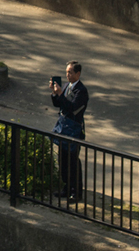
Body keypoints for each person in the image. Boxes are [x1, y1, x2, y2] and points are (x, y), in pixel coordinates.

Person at [49, 61, 88, 202]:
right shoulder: (66, 86)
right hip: (63, 128)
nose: (68, 75)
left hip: (74, 130)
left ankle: (76, 191)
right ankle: (66, 186)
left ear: (78, 74)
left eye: (70, 72)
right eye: (67, 72)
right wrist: (55, 94)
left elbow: (72, 108)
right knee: (63, 159)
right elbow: (58, 104)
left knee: (73, 161)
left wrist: (60, 94)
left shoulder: (81, 91)